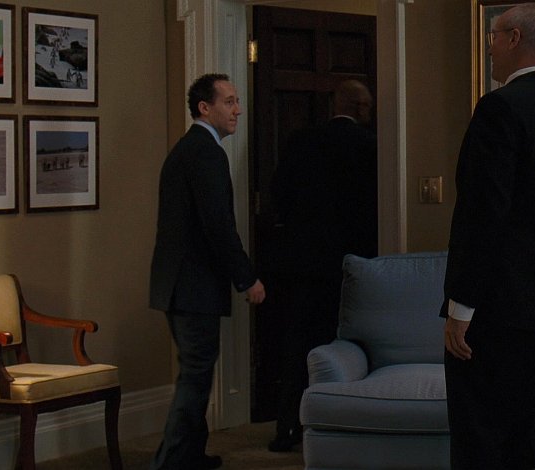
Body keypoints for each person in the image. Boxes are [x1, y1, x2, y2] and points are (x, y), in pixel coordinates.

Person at [441, 4, 535, 469]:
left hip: (489, 312)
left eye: (493, 37)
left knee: (479, 440)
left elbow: (482, 215)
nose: (490, 49)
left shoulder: (499, 108)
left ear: (514, 38)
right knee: (523, 438)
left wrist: (461, 307)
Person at [149, 73, 266, 470]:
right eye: (229, 101)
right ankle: (169, 463)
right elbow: (218, 226)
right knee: (195, 378)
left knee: (195, 373)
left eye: (237, 101)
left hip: (179, 285)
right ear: (205, 107)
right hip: (192, 286)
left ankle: (190, 457)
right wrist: (246, 277)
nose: (238, 110)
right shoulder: (205, 153)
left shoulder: (190, 149)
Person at [267, 79, 378, 452]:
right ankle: (341, 428)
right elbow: (371, 209)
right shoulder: (369, 146)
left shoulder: (301, 142)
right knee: (349, 345)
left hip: (301, 263)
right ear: (360, 107)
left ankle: (287, 427)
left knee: (298, 344)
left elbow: (279, 195)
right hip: (351, 264)